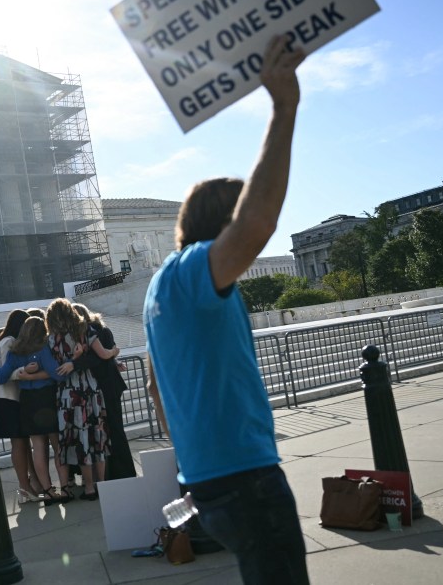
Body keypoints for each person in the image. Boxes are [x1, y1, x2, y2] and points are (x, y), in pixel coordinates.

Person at [143, 35, 309, 584]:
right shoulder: (194, 272)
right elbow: (259, 223)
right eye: (236, 220)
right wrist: (284, 107)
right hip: (244, 476)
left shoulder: (164, 289)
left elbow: (154, 386)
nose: (252, 241)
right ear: (222, 223)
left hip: (211, 477)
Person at [0, 316, 71, 505]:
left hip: (27, 401)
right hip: (46, 398)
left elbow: (1, 378)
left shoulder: (15, 352)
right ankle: (65, 487)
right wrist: (38, 374)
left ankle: (47, 490)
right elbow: (57, 374)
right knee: (57, 445)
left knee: (38, 448)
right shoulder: (42, 348)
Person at [46, 298, 109, 500]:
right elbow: (102, 355)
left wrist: (70, 362)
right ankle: (103, 484)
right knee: (96, 436)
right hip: (89, 389)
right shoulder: (86, 331)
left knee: (80, 439)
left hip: (66, 394)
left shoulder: (50, 340)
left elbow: (52, 369)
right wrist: (114, 352)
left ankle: (88, 487)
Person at [72, 303, 136, 480]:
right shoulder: (102, 329)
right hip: (110, 384)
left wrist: (75, 363)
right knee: (114, 428)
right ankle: (122, 471)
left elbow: (97, 358)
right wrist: (114, 354)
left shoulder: (88, 333)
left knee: (105, 430)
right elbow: (108, 353)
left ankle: (115, 473)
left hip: (101, 385)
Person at [0, 309, 40, 504]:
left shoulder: (3, 339)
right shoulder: (8, 342)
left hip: (5, 398)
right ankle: (24, 487)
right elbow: (6, 372)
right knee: (19, 442)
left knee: (21, 442)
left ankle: (28, 484)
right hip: (7, 398)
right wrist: (24, 371)